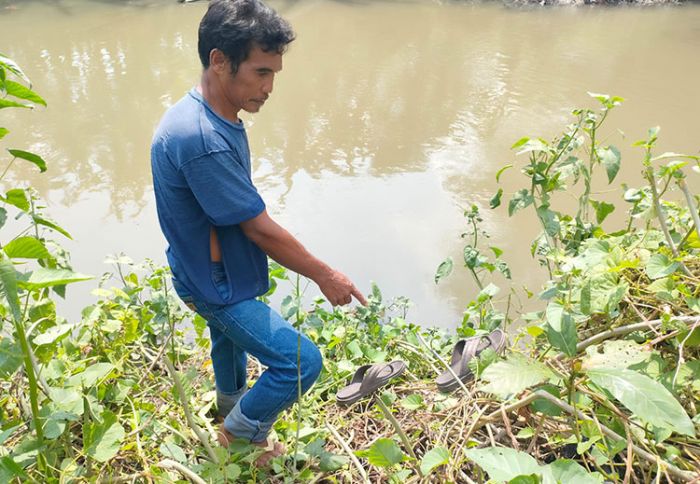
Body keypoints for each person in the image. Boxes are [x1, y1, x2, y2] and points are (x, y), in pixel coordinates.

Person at [150, 0, 367, 465]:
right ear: (219, 60)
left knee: (226, 343)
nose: (269, 87)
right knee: (301, 362)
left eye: (274, 75)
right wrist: (324, 274)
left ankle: (230, 411)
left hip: (215, 271)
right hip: (215, 285)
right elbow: (260, 229)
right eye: (261, 72)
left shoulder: (209, 115)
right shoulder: (201, 138)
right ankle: (239, 435)